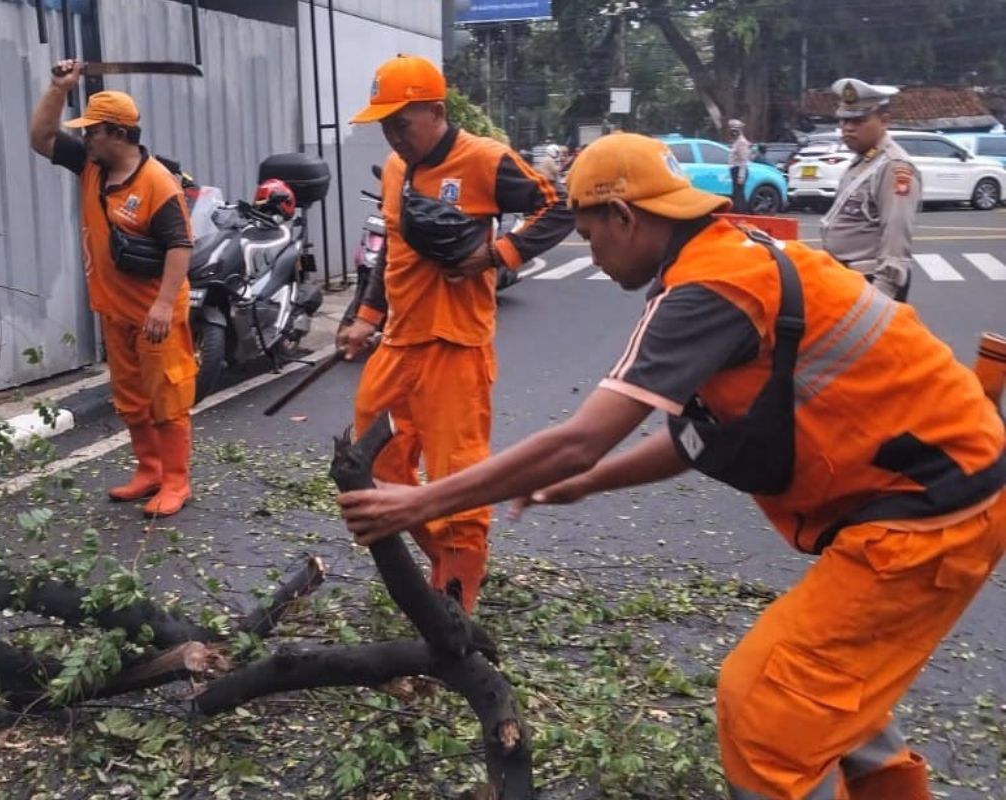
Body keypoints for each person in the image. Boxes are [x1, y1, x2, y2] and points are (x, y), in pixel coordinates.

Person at [339, 132, 1006, 799]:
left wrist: (416, 503)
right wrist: (587, 484)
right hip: (942, 493)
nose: (592, 255)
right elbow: (698, 436)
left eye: (590, 233)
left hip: (931, 515)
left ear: (624, 217)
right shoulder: (721, 262)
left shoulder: (708, 289)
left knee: (766, 708)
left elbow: (581, 437)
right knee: (837, 703)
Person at [336, 54, 574, 612]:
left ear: (436, 112)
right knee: (372, 459)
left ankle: (457, 602)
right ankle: (441, 552)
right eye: (385, 126)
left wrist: (497, 254)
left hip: (455, 346)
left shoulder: (483, 160)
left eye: (402, 122)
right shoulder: (396, 171)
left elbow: (557, 207)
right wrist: (366, 319)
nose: (393, 136)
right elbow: (392, 250)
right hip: (399, 341)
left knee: (457, 474)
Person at [29, 60, 197, 518]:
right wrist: (58, 88)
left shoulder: (157, 183)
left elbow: (180, 245)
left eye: (93, 132)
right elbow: (41, 138)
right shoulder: (92, 167)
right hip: (115, 311)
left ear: (119, 135)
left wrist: (164, 304)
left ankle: (177, 482)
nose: (85, 139)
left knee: (167, 396)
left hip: (154, 315)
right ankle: (150, 470)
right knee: (130, 397)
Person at [821, 78, 921, 301]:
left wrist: (880, 299)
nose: (847, 128)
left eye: (858, 120)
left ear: (884, 121)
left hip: (869, 285)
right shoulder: (863, 162)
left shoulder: (894, 168)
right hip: (845, 279)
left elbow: (896, 241)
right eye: (844, 121)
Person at [727, 118, 751, 213]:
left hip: (739, 170)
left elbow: (743, 160)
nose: (733, 132)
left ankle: (742, 212)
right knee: (736, 193)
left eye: (735, 129)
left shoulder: (742, 142)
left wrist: (741, 176)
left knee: (739, 194)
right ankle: (738, 211)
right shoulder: (736, 142)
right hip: (735, 170)